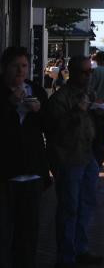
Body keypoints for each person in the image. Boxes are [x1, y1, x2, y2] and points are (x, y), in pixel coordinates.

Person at [45, 55, 103, 268]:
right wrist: (76, 111)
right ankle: (66, 256)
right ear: (73, 72)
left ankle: (81, 249)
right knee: (69, 208)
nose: (88, 76)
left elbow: (91, 125)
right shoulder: (60, 98)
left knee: (86, 205)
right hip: (68, 158)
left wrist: (100, 114)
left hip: (87, 156)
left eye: (90, 72)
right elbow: (53, 128)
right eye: (84, 72)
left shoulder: (89, 93)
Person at [0, 47, 50, 268]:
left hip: (32, 172)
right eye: (15, 66)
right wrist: (10, 103)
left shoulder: (36, 90)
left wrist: (39, 111)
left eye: (24, 66)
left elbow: (50, 127)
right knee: (4, 233)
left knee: (28, 233)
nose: (20, 71)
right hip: (5, 173)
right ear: (5, 68)